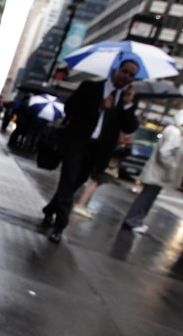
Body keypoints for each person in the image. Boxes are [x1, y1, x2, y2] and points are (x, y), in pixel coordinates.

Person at [42, 59, 140, 243]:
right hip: (77, 143)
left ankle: (50, 209)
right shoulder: (90, 87)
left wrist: (127, 106)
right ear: (117, 70)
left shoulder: (128, 100)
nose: (126, 76)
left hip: (98, 150)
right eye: (125, 71)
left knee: (74, 184)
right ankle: (60, 226)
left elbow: (130, 127)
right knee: (68, 180)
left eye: (131, 75)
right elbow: (69, 107)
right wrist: (98, 107)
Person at [71, 88, 136, 220]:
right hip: (92, 147)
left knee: (85, 179)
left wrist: (128, 104)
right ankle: (77, 204)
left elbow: (129, 126)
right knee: (92, 179)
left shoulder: (125, 107)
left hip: (104, 153)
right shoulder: (104, 95)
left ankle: (73, 203)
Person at [122, 110, 183, 234]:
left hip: (158, 173)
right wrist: (173, 167)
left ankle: (136, 220)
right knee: (146, 197)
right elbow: (165, 153)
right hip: (158, 172)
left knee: (148, 197)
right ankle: (132, 221)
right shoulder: (174, 132)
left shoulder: (175, 131)